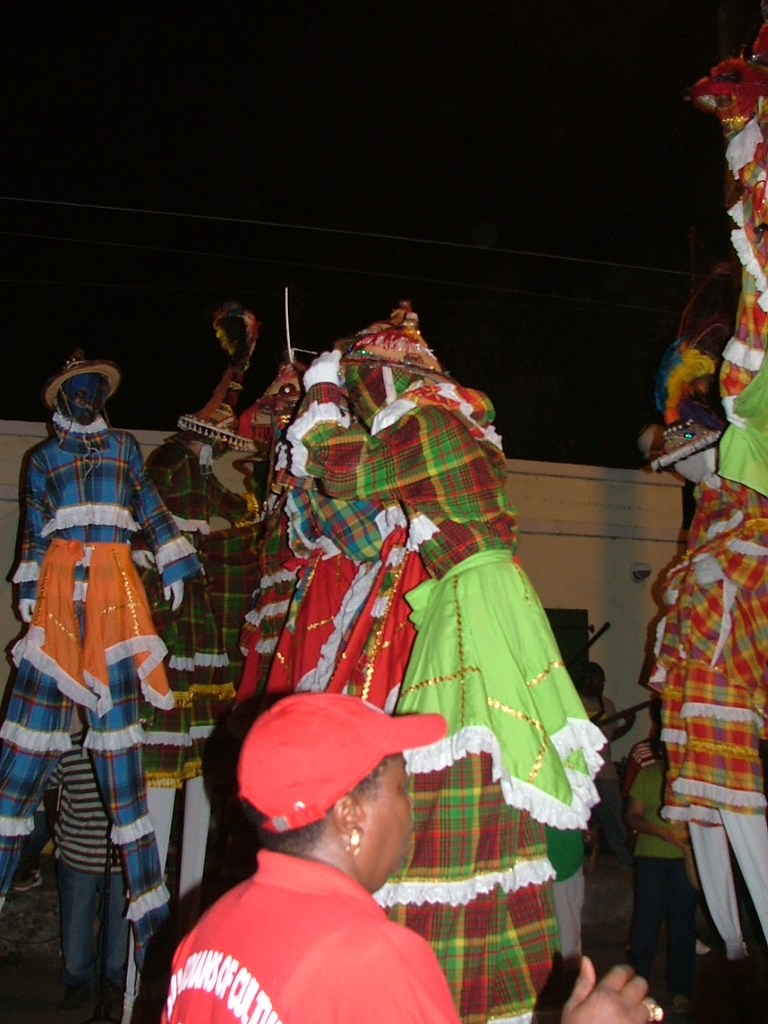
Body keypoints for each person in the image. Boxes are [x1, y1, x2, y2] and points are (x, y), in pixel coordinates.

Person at [285, 304, 606, 1022]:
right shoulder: (447, 421)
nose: (366, 401)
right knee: (476, 785)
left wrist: (323, 387)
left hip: (473, 609)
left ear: (383, 380)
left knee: (457, 783)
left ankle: (438, 988)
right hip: (473, 600)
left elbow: (340, 470)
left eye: (366, 387)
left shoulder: (427, 423)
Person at [162, 693, 662, 1024]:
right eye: (403, 787)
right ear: (350, 815)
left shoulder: (209, 929)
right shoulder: (372, 958)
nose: (413, 807)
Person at [0, 349, 201, 965]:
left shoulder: (123, 449)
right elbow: (33, 525)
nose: (86, 398)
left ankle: (153, 952)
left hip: (113, 598)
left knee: (120, 757)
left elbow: (147, 502)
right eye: (77, 390)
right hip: (60, 599)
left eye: (94, 389)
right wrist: (30, 586)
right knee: (24, 752)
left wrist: (171, 556)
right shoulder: (43, 458)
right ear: (62, 397)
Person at [50, 731, 129, 1014]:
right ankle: (77, 980)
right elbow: (49, 786)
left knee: (118, 930)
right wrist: (56, 830)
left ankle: (111, 979)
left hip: (118, 860)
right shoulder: (68, 748)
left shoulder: (128, 747)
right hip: (77, 857)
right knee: (75, 927)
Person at [625, 744, 697, 1019]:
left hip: (684, 858)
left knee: (683, 924)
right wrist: (660, 832)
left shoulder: (693, 777)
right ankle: (636, 989)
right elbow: (632, 816)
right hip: (651, 858)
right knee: (646, 923)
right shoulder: (649, 775)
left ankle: (681, 990)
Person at [576, 662, 634, 868]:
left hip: (605, 771)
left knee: (614, 817)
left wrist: (628, 724)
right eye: (598, 680)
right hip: (579, 771)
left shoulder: (607, 704)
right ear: (586, 680)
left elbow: (608, 737)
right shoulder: (571, 702)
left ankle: (625, 858)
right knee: (579, 820)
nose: (602, 685)